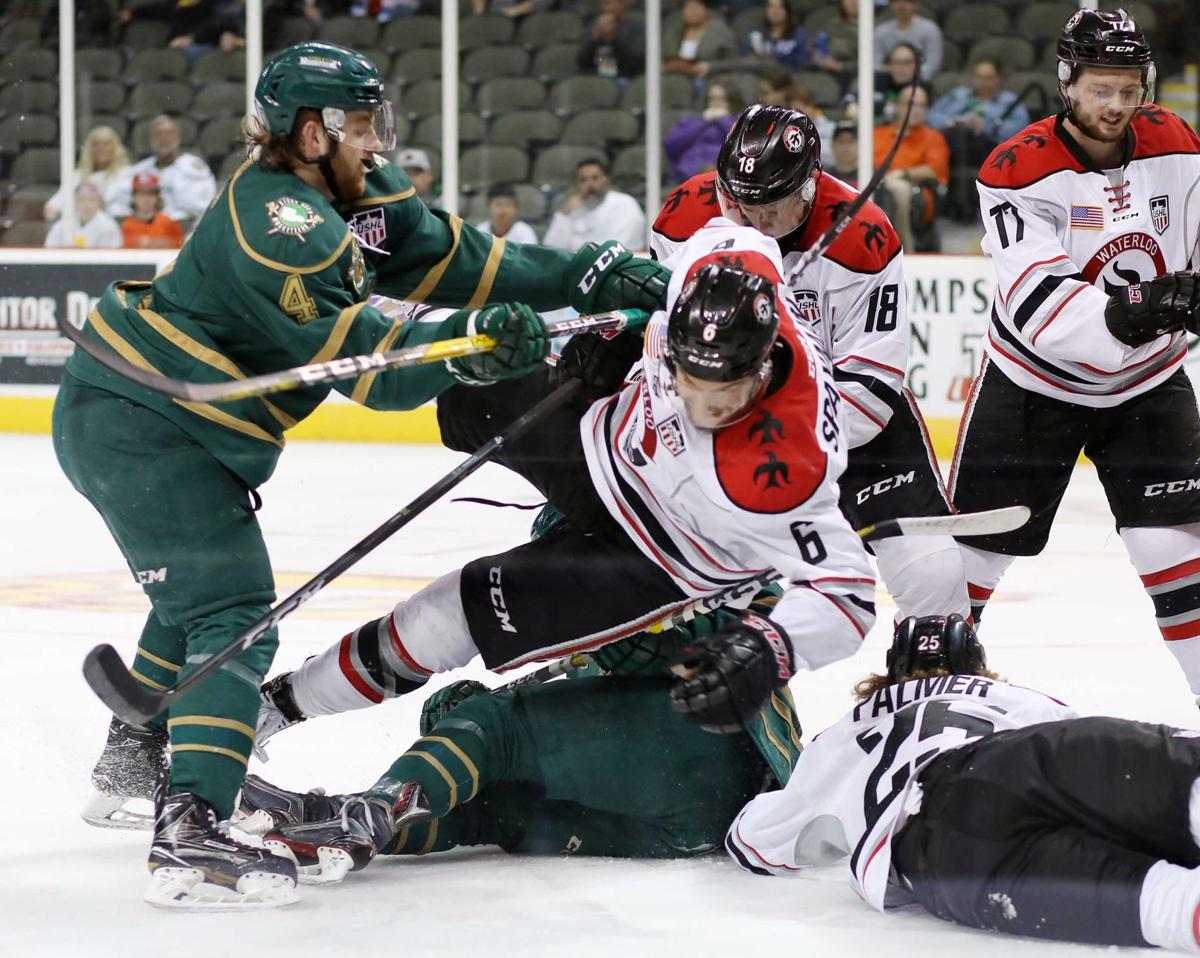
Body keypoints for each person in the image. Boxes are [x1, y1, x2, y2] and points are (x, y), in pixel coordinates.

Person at [62, 41, 669, 909]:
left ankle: (137, 759)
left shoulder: (360, 195)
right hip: (139, 418)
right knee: (228, 610)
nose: (376, 139)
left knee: (192, 597)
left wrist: (585, 270)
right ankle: (190, 830)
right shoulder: (276, 224)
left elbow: (465, 259)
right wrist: (467, 353)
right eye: (358, 122)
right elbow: (363, 365)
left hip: (181, 427)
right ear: (310, 134)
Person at [250, 238, 880, 851]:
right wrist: (623, 333)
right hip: (599, 436)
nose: (701, 404)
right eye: (689, 379)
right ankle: (287, 328)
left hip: (652, 556)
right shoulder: (727, 264)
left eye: (725, 396)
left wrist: (766, 649)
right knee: (462, 368)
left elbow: (847, 595)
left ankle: (269, 710)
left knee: (453, 612)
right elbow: (706, 242)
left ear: (764, 364)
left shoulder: (787, 467)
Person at [949, 8, 1200, 704]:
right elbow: (1038, 301)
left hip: (1149, 388)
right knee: (970, 563)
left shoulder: (1175, 141)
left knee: (1179, 558)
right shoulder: (1015, 169)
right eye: (1100, 89)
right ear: (1068, 83)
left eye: (1129, 89)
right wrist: (1145, 308)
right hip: (1034, 387)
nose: (1117, 105)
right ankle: (924, 702)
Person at [707, 613, 1200, 953]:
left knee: (1173, 910)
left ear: (890, 675)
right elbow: (1106, 779)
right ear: (977, 667)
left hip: (939, 855)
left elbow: (754, 845)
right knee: (1181, 787)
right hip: (1025, 760)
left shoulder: (841, 735)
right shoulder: (1018, 697)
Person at [652, 106, 968, 625]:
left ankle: (932, 683)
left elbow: (871, 392)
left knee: (935, 576)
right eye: (739, 204)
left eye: (772, 205)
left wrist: (779, 432)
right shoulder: (684, 217)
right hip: (726, 419)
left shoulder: (864, 236)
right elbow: (666, 353)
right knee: (699, 593)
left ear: (810, 184)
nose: (755, 222)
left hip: (844, 421)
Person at [238, 589, 802, 876]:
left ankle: (368, 813)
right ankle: (326, 819)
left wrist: (488, 715)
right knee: (498, 810)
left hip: (705, 744)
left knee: (498, 731)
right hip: (712, 818)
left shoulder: (693, 513)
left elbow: (755, 619)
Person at [929, 59, 1032, 220]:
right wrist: (949, 122)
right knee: (959, 133)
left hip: (989, 147)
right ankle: (959, 204)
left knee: (966, 136)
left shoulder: (1008, 101)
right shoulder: (958, 95)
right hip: (953, 143)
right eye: (979, 77)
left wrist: (986, 126)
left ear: (998, 78)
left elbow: (1022, 128)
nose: (983, 82)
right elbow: (931, 115)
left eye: (988, 77)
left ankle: (963, 205)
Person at [873, 82, 949, 252]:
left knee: (899, 188)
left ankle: (906, 247)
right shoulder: (877, 134)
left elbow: (934, 170)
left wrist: (902, 174)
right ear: (897, 106)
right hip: (876, 187)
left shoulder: (933, 137)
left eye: (922, 105)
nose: (917, 109)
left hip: (917, 194)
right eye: (911, 104)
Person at [109, 115, 217, 228]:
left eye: (169, 133)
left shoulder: (194, 168)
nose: (164, 138)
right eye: (158, 134)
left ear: (178, 138)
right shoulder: (139, 170)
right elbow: (117, 203)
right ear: (151, 139)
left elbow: (203, 207)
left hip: (184, 232)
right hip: (144, 232)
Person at [542, 158, 647, 252]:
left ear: (605, 179)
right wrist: (565, 213)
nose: (590, 184)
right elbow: (551, 247)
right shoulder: (572, 208)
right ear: (577, 183)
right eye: (583, 180)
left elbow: (622, 246)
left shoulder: (625, 204)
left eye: (595, 178)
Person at [44, 125, 130, 222]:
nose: (101, 148)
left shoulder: (126, 174)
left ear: (115, 147)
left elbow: (121, 208)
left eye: (106, 144)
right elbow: (52, 207)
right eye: (96, 144)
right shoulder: (76, 176)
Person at [664, 82, 741, 185]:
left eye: (722, 99)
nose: (716, 103)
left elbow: (742, 142)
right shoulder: (690, 121)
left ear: (732, 101)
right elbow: (670, 146)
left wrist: (723, 119)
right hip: (687, 174)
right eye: (712, 98)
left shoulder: (739, 121)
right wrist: (703, 121)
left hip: (725, 176)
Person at [662, 0, 737, 82]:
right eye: (688, 7)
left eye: (696, 7)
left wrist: (711, 67)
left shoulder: (719, 30)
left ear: (706, 9)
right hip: (674, 76)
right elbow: (665, 56)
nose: (692, 11)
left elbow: (733, 61)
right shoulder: (675, 29)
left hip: (708, 78)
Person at [873, 0, 942, 82]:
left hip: (920, 80)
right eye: (896, 1)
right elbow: (874, 64)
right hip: (889, 80)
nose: (902, 6)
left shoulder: (930, 29)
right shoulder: (881, 31)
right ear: (890, 5)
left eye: (907, 1)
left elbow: (933, 65)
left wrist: (907, 73)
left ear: (916, 5)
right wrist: (895, 71)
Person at [577, 0, 645, 80]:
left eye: (617, 3)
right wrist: (596, 39)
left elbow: (635, 64)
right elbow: (582, 62)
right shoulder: (593, 25)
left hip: (625, 78)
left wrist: (613, 39)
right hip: (596, 77)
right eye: (607, 3)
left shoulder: (636, 28)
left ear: (624, 5)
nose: (612, 7)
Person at [44, 182, 122, 249]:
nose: (86, 204)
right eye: (81, 199)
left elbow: (110, 258)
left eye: (92, 199)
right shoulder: (62, 225)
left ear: (99, 202)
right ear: (75, 201)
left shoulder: (108, 226)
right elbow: (49, 250)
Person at [121, 172, 186, 250]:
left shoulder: (169, 223)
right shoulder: (126, 226)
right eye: (142, 194)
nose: (146, 199)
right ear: (134, 196)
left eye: (151, 194)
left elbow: (180, 251)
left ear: (157, 197)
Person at [742, 0, 809, 72]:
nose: (775, 11)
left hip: (788, 77)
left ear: (788, 11)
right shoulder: (756, 34)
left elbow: (801, 63)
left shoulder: (798, 34)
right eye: (771, 7)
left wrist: (774, 59)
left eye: (780, 7)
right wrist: (755, 57)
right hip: (759, 76)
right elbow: (745, 57)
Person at [828, 121, 859, 189]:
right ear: (832, 146)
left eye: (850, 141)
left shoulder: (870, 176)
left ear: (859, 146)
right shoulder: (823, 177)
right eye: (841, 141)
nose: (846, 146)